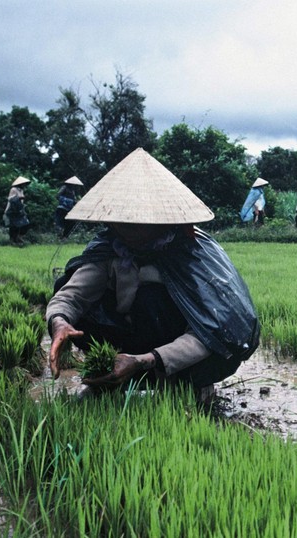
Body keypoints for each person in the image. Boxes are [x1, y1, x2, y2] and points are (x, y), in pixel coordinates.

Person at [46, 148, 260, 398]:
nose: (129, 229)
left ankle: (186, 383)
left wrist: (144, 360)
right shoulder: (110, 251)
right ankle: (114, 375)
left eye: (138, 222)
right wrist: (60, 323)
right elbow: (72, 296)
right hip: (128, 337)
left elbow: (211, 330)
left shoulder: (191, 255)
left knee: (151, 299)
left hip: (179, 349)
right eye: (124, 221)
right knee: (67, 289)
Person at [4, 176, 31, 245]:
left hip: (20, 210)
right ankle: (13, 241)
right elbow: (11, 199)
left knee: (25, 224)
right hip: (12, 210)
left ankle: (19, 237)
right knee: (13, 226)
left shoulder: (21, 190)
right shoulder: (13, 189)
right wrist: (19, 197)